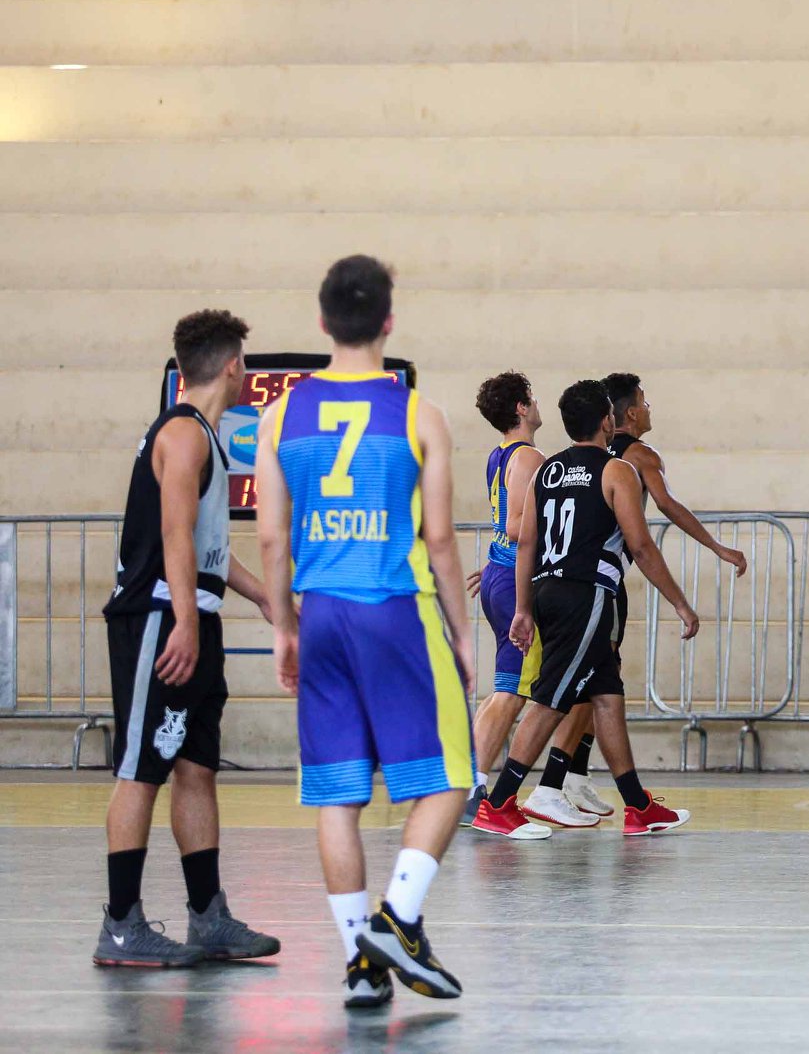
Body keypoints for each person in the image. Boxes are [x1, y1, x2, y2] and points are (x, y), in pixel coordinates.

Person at [255, 255, 477, 1008]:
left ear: (322, 321)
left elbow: (270, 542)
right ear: (389, 321)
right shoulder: (419, 414)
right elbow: (441, 541)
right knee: (451, 775)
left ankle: (360, 965)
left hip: (320, 613)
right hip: (394, 607)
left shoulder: (281, 414)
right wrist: (464, 633)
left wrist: (285, 627)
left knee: (337, 795)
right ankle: (399, 918)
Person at [95, 309, 282, 968]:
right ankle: (121, 924)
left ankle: (208, 917)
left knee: (196, 769)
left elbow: (204, 546)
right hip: (157, 619)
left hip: (187, 613)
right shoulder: (183, 434)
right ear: (234, 367)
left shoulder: (204, 434)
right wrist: (180, 620)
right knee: (142, 770)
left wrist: (263, 597)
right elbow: (174, 535)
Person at [470, 380, 701, 839]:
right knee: (551, 697)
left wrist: (522, 607)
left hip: (545, 589)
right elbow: (640, 544)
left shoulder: (547, 470)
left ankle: (638, 806)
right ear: (608, 422)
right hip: (587, 594)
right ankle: (497, 804)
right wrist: (680, 602)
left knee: (606, 695)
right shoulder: (616, 472)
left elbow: (528, 541)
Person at [531, 372, 749, 823]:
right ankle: (550, 781)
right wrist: (716, 547)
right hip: (595, 585)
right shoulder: (636, 458)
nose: (650, 410)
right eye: (645, 403)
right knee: (585, 682)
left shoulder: (569, 461)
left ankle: (583, 778)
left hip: (558, 579)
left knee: (599, 684)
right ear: (625, 414)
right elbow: (667, 509)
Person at [460, 373, 553, 835]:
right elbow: (518, 528)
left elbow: (502, 523)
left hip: (501, 573)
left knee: (505, 686)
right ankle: (471, 789)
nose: (538, 405)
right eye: (532, 399)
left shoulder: (499, 456)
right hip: (516, 581)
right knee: (512, 690)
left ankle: (465, 781)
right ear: (520, 408)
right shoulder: (531, 457)